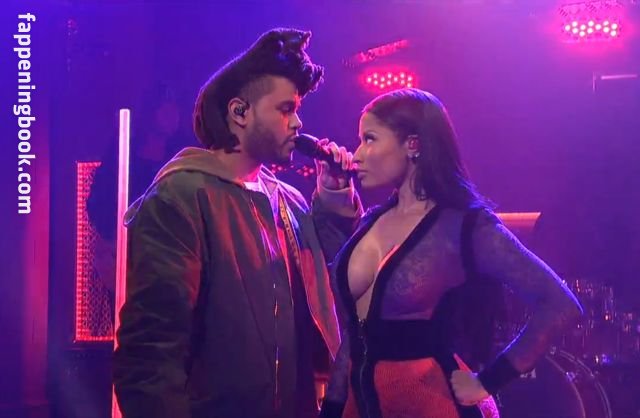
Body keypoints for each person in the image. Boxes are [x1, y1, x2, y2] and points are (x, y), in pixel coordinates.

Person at [113, 28, 362, 418]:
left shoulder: (288, 201)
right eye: (285, 109)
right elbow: (151, 351)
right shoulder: (181, 197)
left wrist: (333, 196)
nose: (298, 123)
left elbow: (334, 279)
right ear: (239, 112)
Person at [319, 88, 583, 418]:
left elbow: (560, 304)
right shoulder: (372, 221)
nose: (357, 154)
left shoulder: (464, 226)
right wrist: (332, 409)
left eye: (369, 139)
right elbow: (351, 337)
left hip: (434, 405)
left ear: (412, 144)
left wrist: (487, 381)